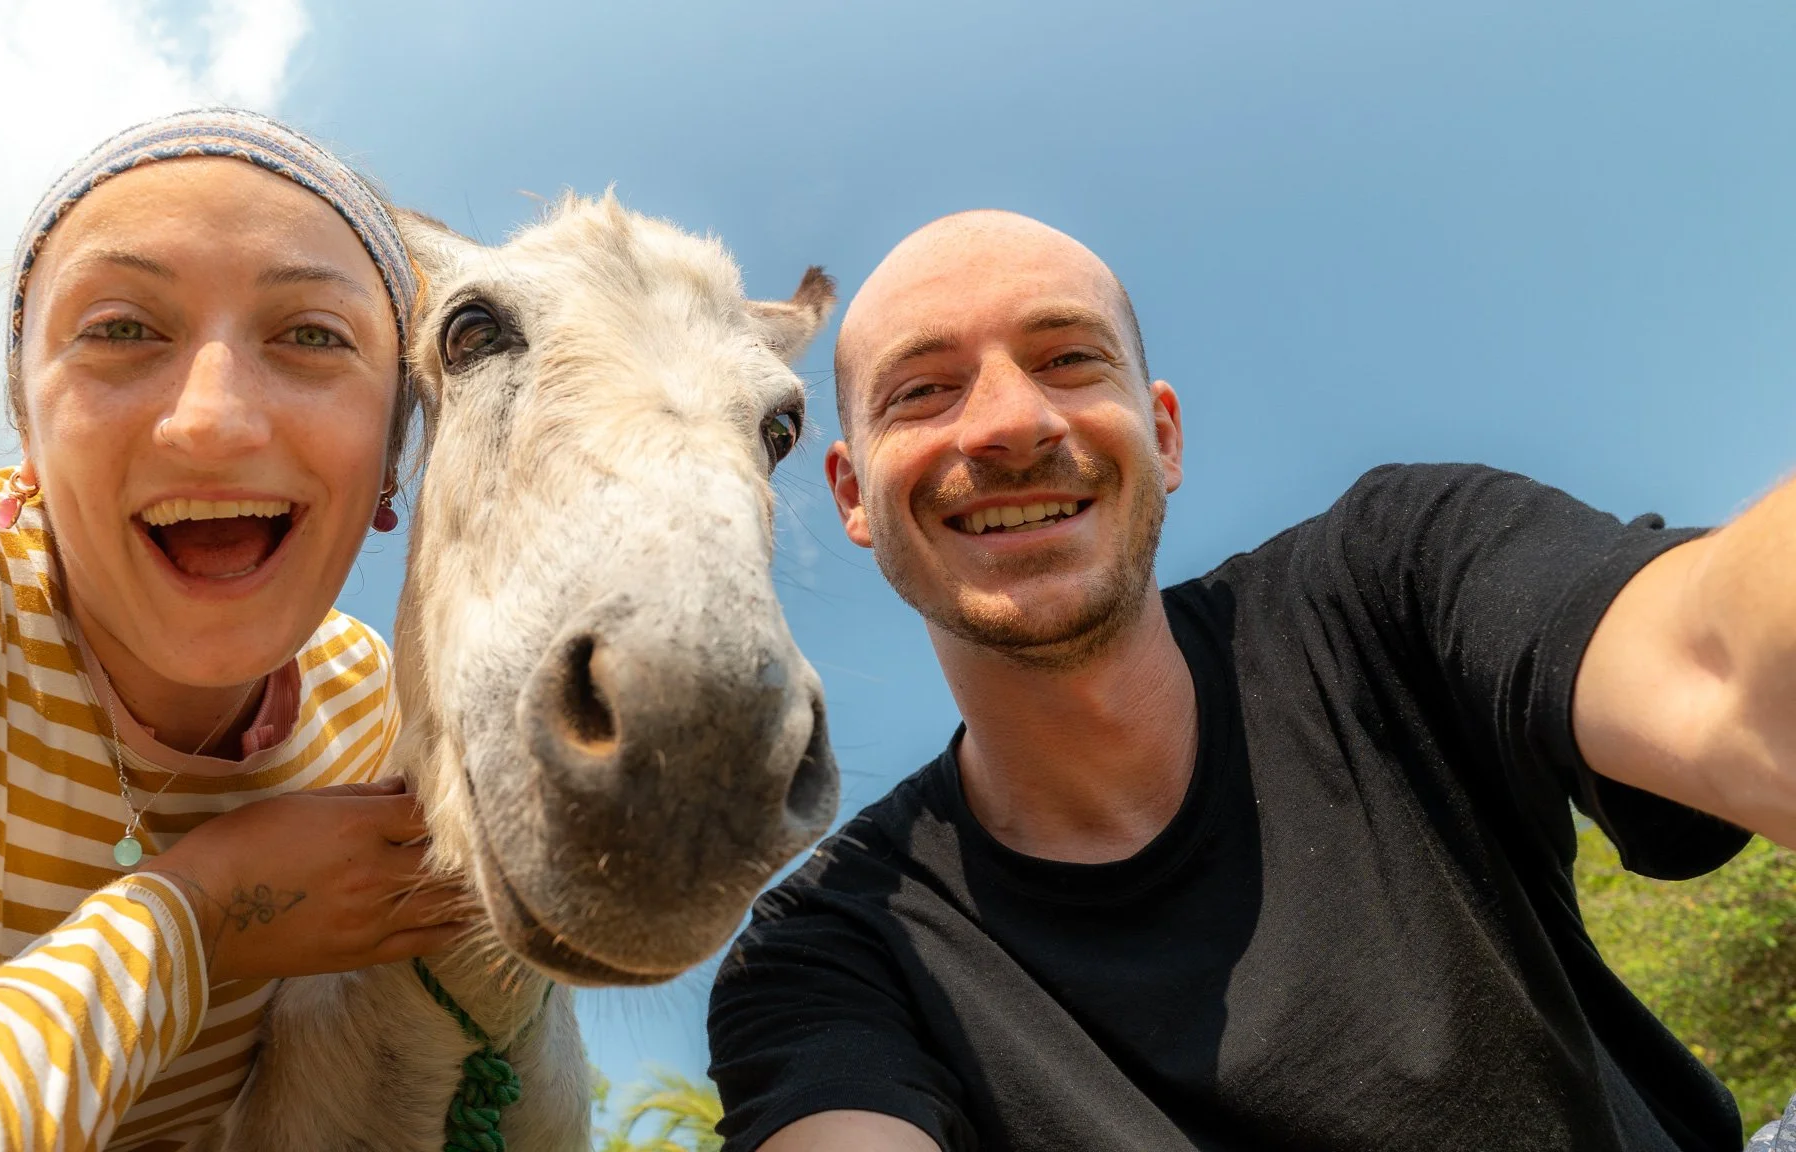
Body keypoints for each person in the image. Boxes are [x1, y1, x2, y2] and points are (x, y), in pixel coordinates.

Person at [706, 209, 1796, 1151]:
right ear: (851, 495)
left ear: (1163, 436)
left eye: (1068, 360)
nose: (1006, 425)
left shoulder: (1389, 582)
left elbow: (1720, 669)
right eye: (924, 390)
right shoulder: (833, 947)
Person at [0, 109, 475, 1150]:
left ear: (391, 460)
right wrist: (200, 911)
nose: (212, 421)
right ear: (27, 428)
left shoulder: (374, 713)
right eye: (122, 329)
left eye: (311, 336)